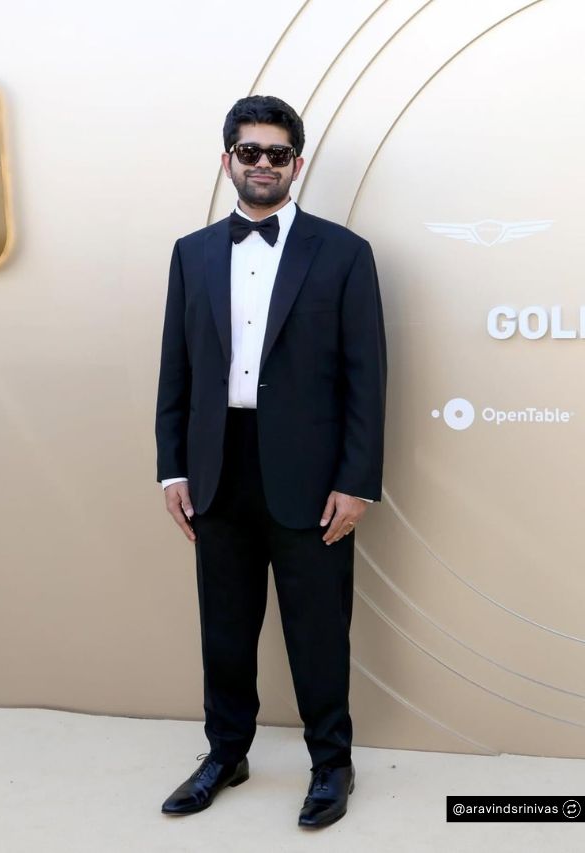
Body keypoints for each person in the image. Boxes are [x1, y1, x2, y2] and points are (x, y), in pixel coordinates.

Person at [155, 95, 386, 829]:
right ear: (227, 160)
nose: (262, 163)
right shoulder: (190, 253)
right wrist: (173, 468)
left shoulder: (345, 252)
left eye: (276, 153)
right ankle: (226, 752)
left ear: (296, 163)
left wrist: (356, 480)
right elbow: (176, 371)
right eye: (248, 151)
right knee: (223, 626)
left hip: (312, 476)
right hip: (217, 465)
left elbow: (366, 376)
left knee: (317, 628)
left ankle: (331, 765)